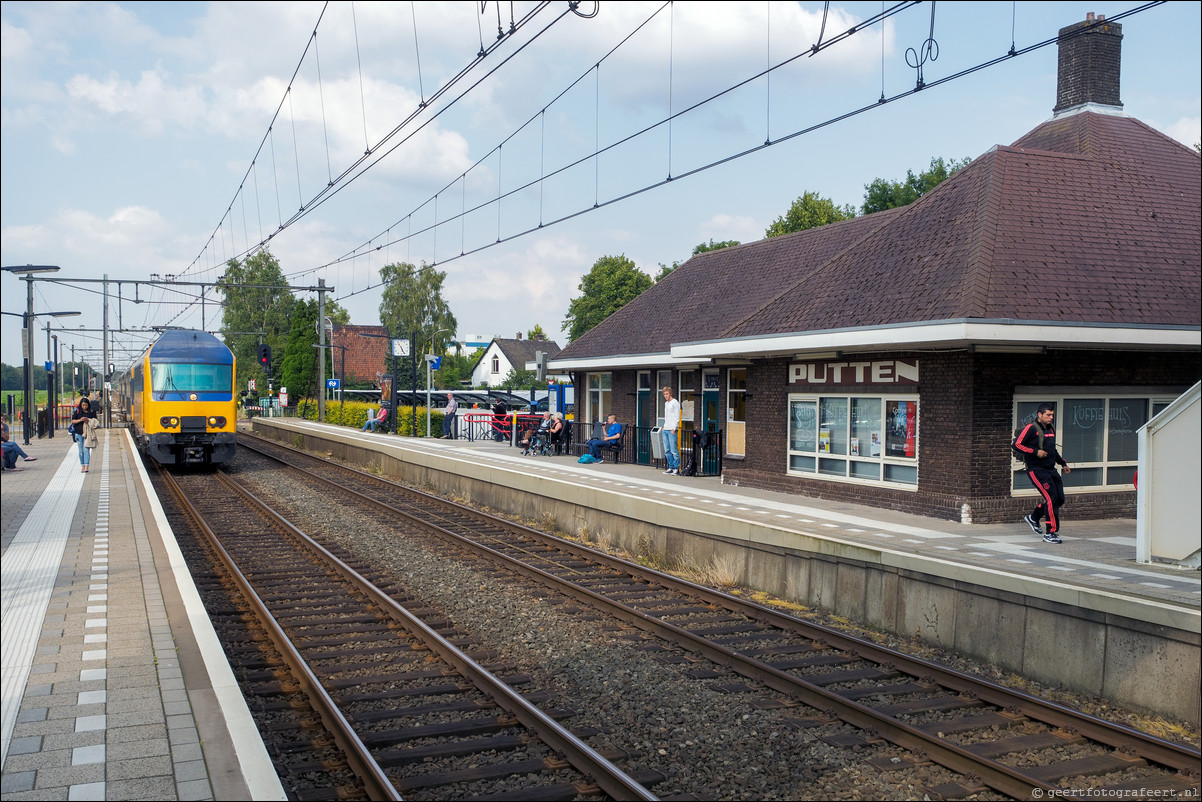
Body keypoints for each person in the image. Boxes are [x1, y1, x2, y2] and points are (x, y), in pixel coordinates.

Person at [1014, 404, 1072, 544]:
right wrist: (1035, 452)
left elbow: (1052, 449)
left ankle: (1034, 517)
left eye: (1052, 415)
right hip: (1036, 470)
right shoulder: (1031, 428)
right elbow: (1016, 445)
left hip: (1050, 469)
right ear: (1040, 414)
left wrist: (1062, 463)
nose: (1051, 417)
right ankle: (1050, 533)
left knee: (1059, 499)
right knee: (1051, 498)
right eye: (1048, 415)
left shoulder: (1050, 429)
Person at [70, 397, 99, 474]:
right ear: (81, 405)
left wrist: (88, 420)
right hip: (78, 433)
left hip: (88, 434)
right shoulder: (77, 411)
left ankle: (86, 466)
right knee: (81, 451)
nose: (84, 407)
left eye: (86, 405)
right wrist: (80, 420)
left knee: (86, 450)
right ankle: (82, 465)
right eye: (83, 405)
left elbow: (95, 421)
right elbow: (73, 421)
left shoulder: (91, 412)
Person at [661, 386, 681, 475]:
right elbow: (667, 416)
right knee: (667, 450)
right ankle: (671, 467)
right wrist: (664, 426)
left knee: (674, 450)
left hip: (672, 430)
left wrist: (674, 428)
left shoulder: (675, 403)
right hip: (666, 428)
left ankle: (676, 468)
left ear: (670, 393)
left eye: (667, 394)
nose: (666, 396)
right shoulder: (666, 403)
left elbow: (677, 416)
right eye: (664, 394)